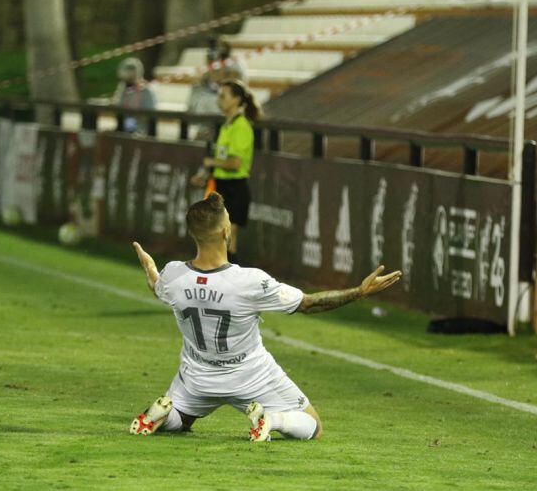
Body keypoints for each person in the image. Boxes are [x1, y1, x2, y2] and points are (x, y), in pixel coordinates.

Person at [129, 193, 401, 442]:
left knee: (184, 420)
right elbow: (309, 304)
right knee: (313, 427)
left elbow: (158, 287)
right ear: (226, 232)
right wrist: (360, 292)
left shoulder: (174, 275)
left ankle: (164, 416)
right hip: (251, 376)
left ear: (192, 234)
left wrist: (152, 271)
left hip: (197, 379)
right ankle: (274, 419)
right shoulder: (250, 281)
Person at [189, 80, 260, 264]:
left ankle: (233, 286)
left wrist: (211, 162)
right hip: (221, 186)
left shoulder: (241, 126)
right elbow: (221, 157)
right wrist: (205, 174)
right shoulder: (226, 125)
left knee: (228, 241)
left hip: (235, 188)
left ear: (236, 100)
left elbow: (235, 163)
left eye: (223, 96)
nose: (219, 100)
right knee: (221, 241)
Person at [186, 37, 247, 117]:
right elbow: (205, 78)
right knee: (196, 88)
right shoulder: (215, 64)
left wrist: (218, 73)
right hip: (213, 93)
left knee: (209, 101)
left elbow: (226, 82)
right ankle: (191, 119)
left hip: (229, 96)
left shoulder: (235, 65)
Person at [111, 57, 156, 134]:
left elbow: (150, 115)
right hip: (124, 128)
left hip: (141, 129)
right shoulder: (123, 90)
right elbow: (118, 107)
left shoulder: (146, 91)